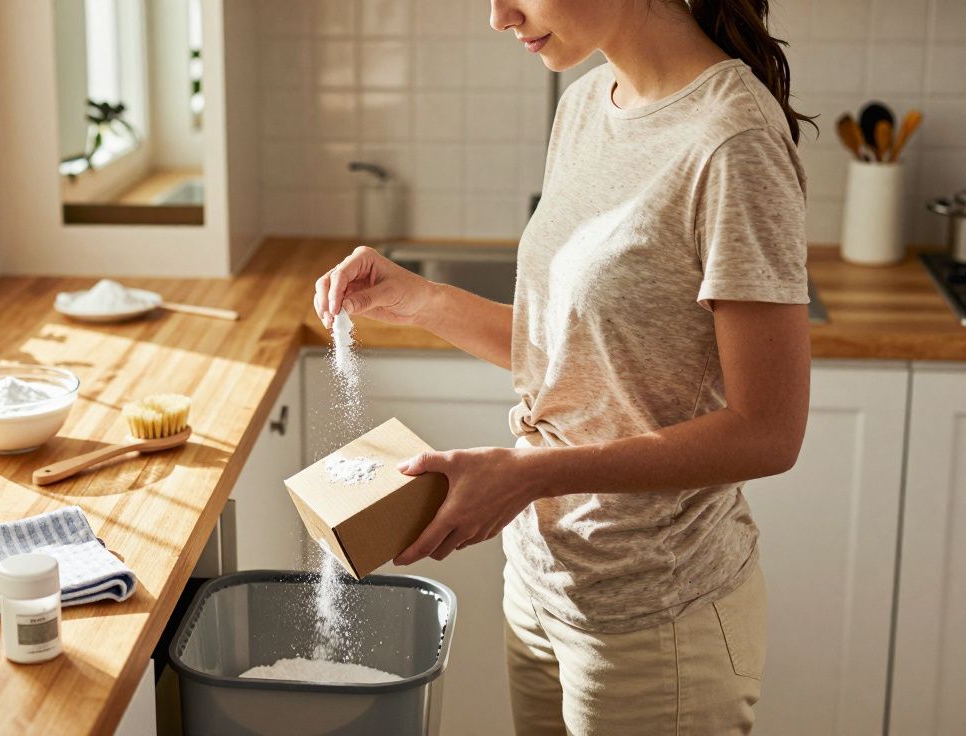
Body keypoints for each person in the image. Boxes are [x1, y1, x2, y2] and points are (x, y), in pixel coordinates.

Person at [313, 0, 814, 733]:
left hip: (655, 617)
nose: (498, 15)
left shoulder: (732, 139)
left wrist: (532, 474)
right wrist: (421, 300)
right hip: (544, 585)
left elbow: (769, 433)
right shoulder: (586, 102)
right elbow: (576, 357)